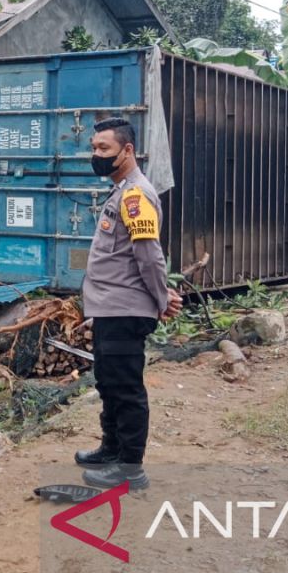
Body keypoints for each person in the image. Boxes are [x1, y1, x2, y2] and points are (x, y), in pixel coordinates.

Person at [75, 117, 182, 490]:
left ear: (128, 150)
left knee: (125, 388)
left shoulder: (136, 194)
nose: (97, 155)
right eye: (94, 148)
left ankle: (130, 468)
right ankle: (111, 449)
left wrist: (160, 298)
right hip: (109, 308)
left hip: (125, 310)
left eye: (104, 148)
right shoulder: (121, 191)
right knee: (108, 382)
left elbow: (149, 256)